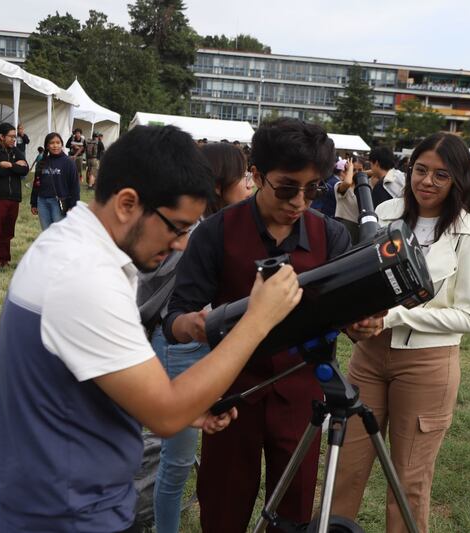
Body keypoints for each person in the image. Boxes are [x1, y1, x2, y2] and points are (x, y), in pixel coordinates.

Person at [0, 124, 303, 532]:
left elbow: (92, 379)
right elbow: (165, 414)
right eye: (177, 227)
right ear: (128, 204)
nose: (182, 244)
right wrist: (258, 320)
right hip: (65, 512)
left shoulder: (74, 246)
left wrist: (185, 405)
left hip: (63, 497)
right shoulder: (84, 276)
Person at [162, 118, 380, 532]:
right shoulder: (216, 233)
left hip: (304, 397)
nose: (300, 201)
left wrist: (361, 323)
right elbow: (174, 317)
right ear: (257, 176)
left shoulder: (330, 235)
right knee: (223, 510)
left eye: (312, 189)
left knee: (294, 517)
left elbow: (345, 312)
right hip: (232, 394)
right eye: (286, 188)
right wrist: (193, 324)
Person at [331, 132, 470, 533]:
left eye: (441, 174)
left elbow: (468, 316)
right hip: (368, 358)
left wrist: (397, 317)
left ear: (458, 180)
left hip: (427, 366)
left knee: (409, 482)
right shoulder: (384, 214)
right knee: (343, 467)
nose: (427, 182)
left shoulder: (468, 231)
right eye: (420, 170)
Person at [146, 141, 253, 533]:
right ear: (223, 181)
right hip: (183, 346)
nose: (249, 187)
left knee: (199, 451)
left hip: (205, 345)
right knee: (176, 462)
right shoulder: (199, 231)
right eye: (244, 177)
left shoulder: (219, 226)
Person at [0, 122, 29, 274]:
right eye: (11, 137)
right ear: (1, 136)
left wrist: (8, 165)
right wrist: (15, 166)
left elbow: (25, 169)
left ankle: (4, 260)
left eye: (15, 137)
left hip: (13, 197)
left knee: (8, 231)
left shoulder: (15, 150)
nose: (14, 140)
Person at [30, 132, 80, 231]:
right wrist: (34, 203)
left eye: (58, 143)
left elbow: (75, 186)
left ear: (62, 144)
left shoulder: (69, 162)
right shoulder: (41, 163)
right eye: (52, 143)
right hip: (42, 202)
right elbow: (36, 183)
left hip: (59, 203)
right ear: (47, 146)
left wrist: (73, 205)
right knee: (46, 233)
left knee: (59, 233)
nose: (55, 145)